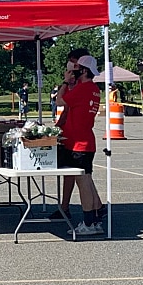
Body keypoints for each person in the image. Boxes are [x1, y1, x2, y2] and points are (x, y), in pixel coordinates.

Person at [55, 55, 104, 235]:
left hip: (79, 145)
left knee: (83, 184)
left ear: (83, 71)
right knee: (88, 181)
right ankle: (95, 220)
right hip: (86, 141)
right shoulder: (93, 89)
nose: (73, 71)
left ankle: (88, 223)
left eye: (76, 69)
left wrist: (66, 82)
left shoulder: (83, 89)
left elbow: (60, 100)